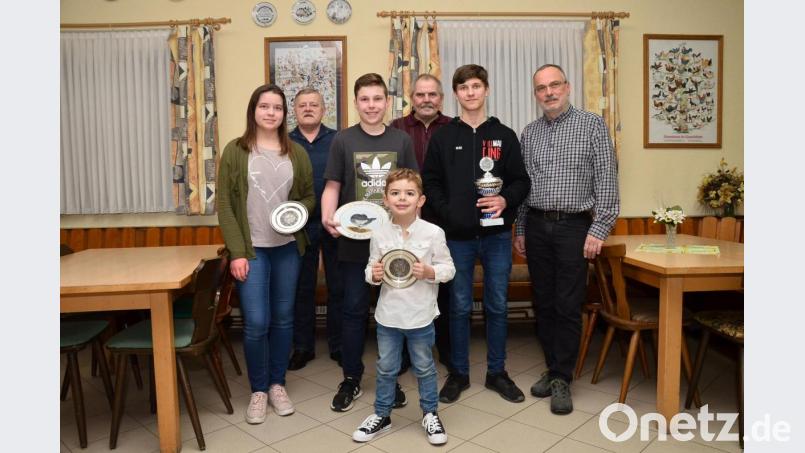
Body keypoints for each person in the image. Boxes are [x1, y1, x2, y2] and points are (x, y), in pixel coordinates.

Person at [421, 64, 530, 404]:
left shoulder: (504, 135)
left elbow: (521, 181)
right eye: (463, 87)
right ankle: (458, 373)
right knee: (458, 307)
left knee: (497, 305)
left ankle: (497, 372)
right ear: (455, 94)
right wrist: (449, 213)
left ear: (486, 90)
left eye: (476, 86)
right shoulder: (443, 137)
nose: (470, 92)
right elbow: (431, 183)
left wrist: (505, 199)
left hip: (497, 237)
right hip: (457, 239)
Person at [514, 64, 619, 415]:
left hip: (575, 227)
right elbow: (524, 186)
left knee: (567, 304)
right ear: (535, 94)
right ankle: (553, 366)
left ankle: (562, 377)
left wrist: (599, 229)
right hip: (537, 225)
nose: (549, 92)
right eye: (541, 88)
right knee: (543, 303)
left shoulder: (592, 125)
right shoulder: (529, 133)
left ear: (567, 86)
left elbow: (607, 179)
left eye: (554, 84)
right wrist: (520, 228)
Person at [217, 84, 315, 424]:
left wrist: (297, 212)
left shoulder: (296, 153)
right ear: (253, 110)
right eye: (264, 106)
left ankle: (277, 384)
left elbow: (308, 196)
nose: (271, 113)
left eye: (277, 107)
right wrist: (237, 252)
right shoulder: (236, 150)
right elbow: (225, 205)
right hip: (252, 251)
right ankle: (258, 390)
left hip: (287, 249)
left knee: (284, 319)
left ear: (284, 114)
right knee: (257, 322)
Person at [320, 73, 418, 412]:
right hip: (354, 243)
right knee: (353, 310)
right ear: (356, 103)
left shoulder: (402, 140)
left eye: (378, 99)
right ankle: (351, 377)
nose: (372, 105)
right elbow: (332, 185)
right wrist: (327, 216)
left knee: (392, 313)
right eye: (365, 99)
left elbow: (413, 189)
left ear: (387, 102)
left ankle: (390, 379)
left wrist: (411, 232)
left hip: (394, 244)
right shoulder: (343, 140)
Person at [351, 168, 454, 445]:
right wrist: (372, 275)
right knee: (386, 368)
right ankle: (382, 415)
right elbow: (370, 268)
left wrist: (430, 272)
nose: (402, 198)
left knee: (425, 367)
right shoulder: (378, 233)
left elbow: (449, 269)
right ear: (385, 199)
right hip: (388, 316)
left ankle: (430, 413)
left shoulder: (434, 232)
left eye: (409, 193)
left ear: (421, 200)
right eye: (395, 193)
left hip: (420, 315)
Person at [390, 74, 453, 373]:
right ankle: (404, 355)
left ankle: (446, 350)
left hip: (443, 222)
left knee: (443, 288)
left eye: (432, 94)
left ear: (441, 98)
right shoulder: (396, 129)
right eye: (420, 94)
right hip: (404, 221)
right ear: (411, 98)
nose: (426, 100)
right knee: (401, 285)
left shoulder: (454, 128)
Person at [287, 87, 343, 371]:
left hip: (335, 225)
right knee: (302, 288)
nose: (308, 109)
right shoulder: (284, 142)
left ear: (324, 110)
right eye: (302, 105)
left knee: (338, 286)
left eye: (314, 105)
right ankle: (303, 347)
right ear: (294, 111)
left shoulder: (338, 140)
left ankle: (339, 345)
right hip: (299, 228)